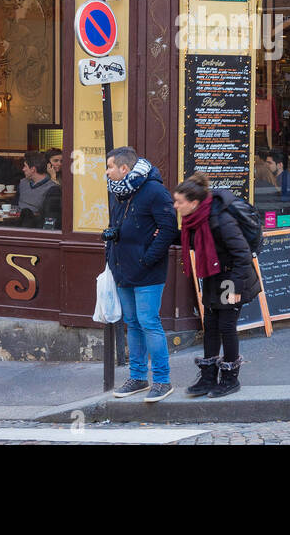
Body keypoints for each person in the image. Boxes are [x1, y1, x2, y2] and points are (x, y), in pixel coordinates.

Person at [172, 172, 262, 398]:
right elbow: (192, 241)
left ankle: (230, 378)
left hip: (231, 277)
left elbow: (243, 255)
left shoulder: (221, 219)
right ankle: (208, 377)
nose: (175, 206)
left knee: (226, 325)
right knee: (210, 325)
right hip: (213, 275)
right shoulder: (195, 218)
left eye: (179, 202)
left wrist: (237, 290)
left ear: (193, 203)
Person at [104, 146, 179, 402]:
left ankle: (162, 380)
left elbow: (169, 229)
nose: (107, 171)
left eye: (110, 166)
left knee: (149, 322)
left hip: (147, 270)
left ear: (124, 168)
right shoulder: (118, 192)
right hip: (122, 267)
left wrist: (147, 258)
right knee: (132, 324)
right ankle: (137, 378)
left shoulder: (155, 191)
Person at [15, 151, 59, 223]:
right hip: (15, 222)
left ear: (33, 169)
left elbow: (50, 217)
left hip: (35, 226)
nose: (23, 169)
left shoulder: (52, 189)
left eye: (25, 166)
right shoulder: (22, 183)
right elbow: (14, 205)